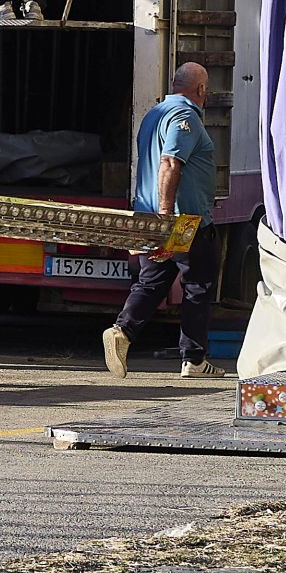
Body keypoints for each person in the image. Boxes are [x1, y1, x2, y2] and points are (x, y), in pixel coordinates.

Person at [102, 62, 228, 379]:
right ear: (201, 90)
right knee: (199, 287)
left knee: (152, 281)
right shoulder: (184, 117)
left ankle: (123, 332)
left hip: (154, 219)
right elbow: (170, 162)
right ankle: (193, 360)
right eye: (207, 88)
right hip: (183, 221)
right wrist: (166, 216)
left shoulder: (154, 114)